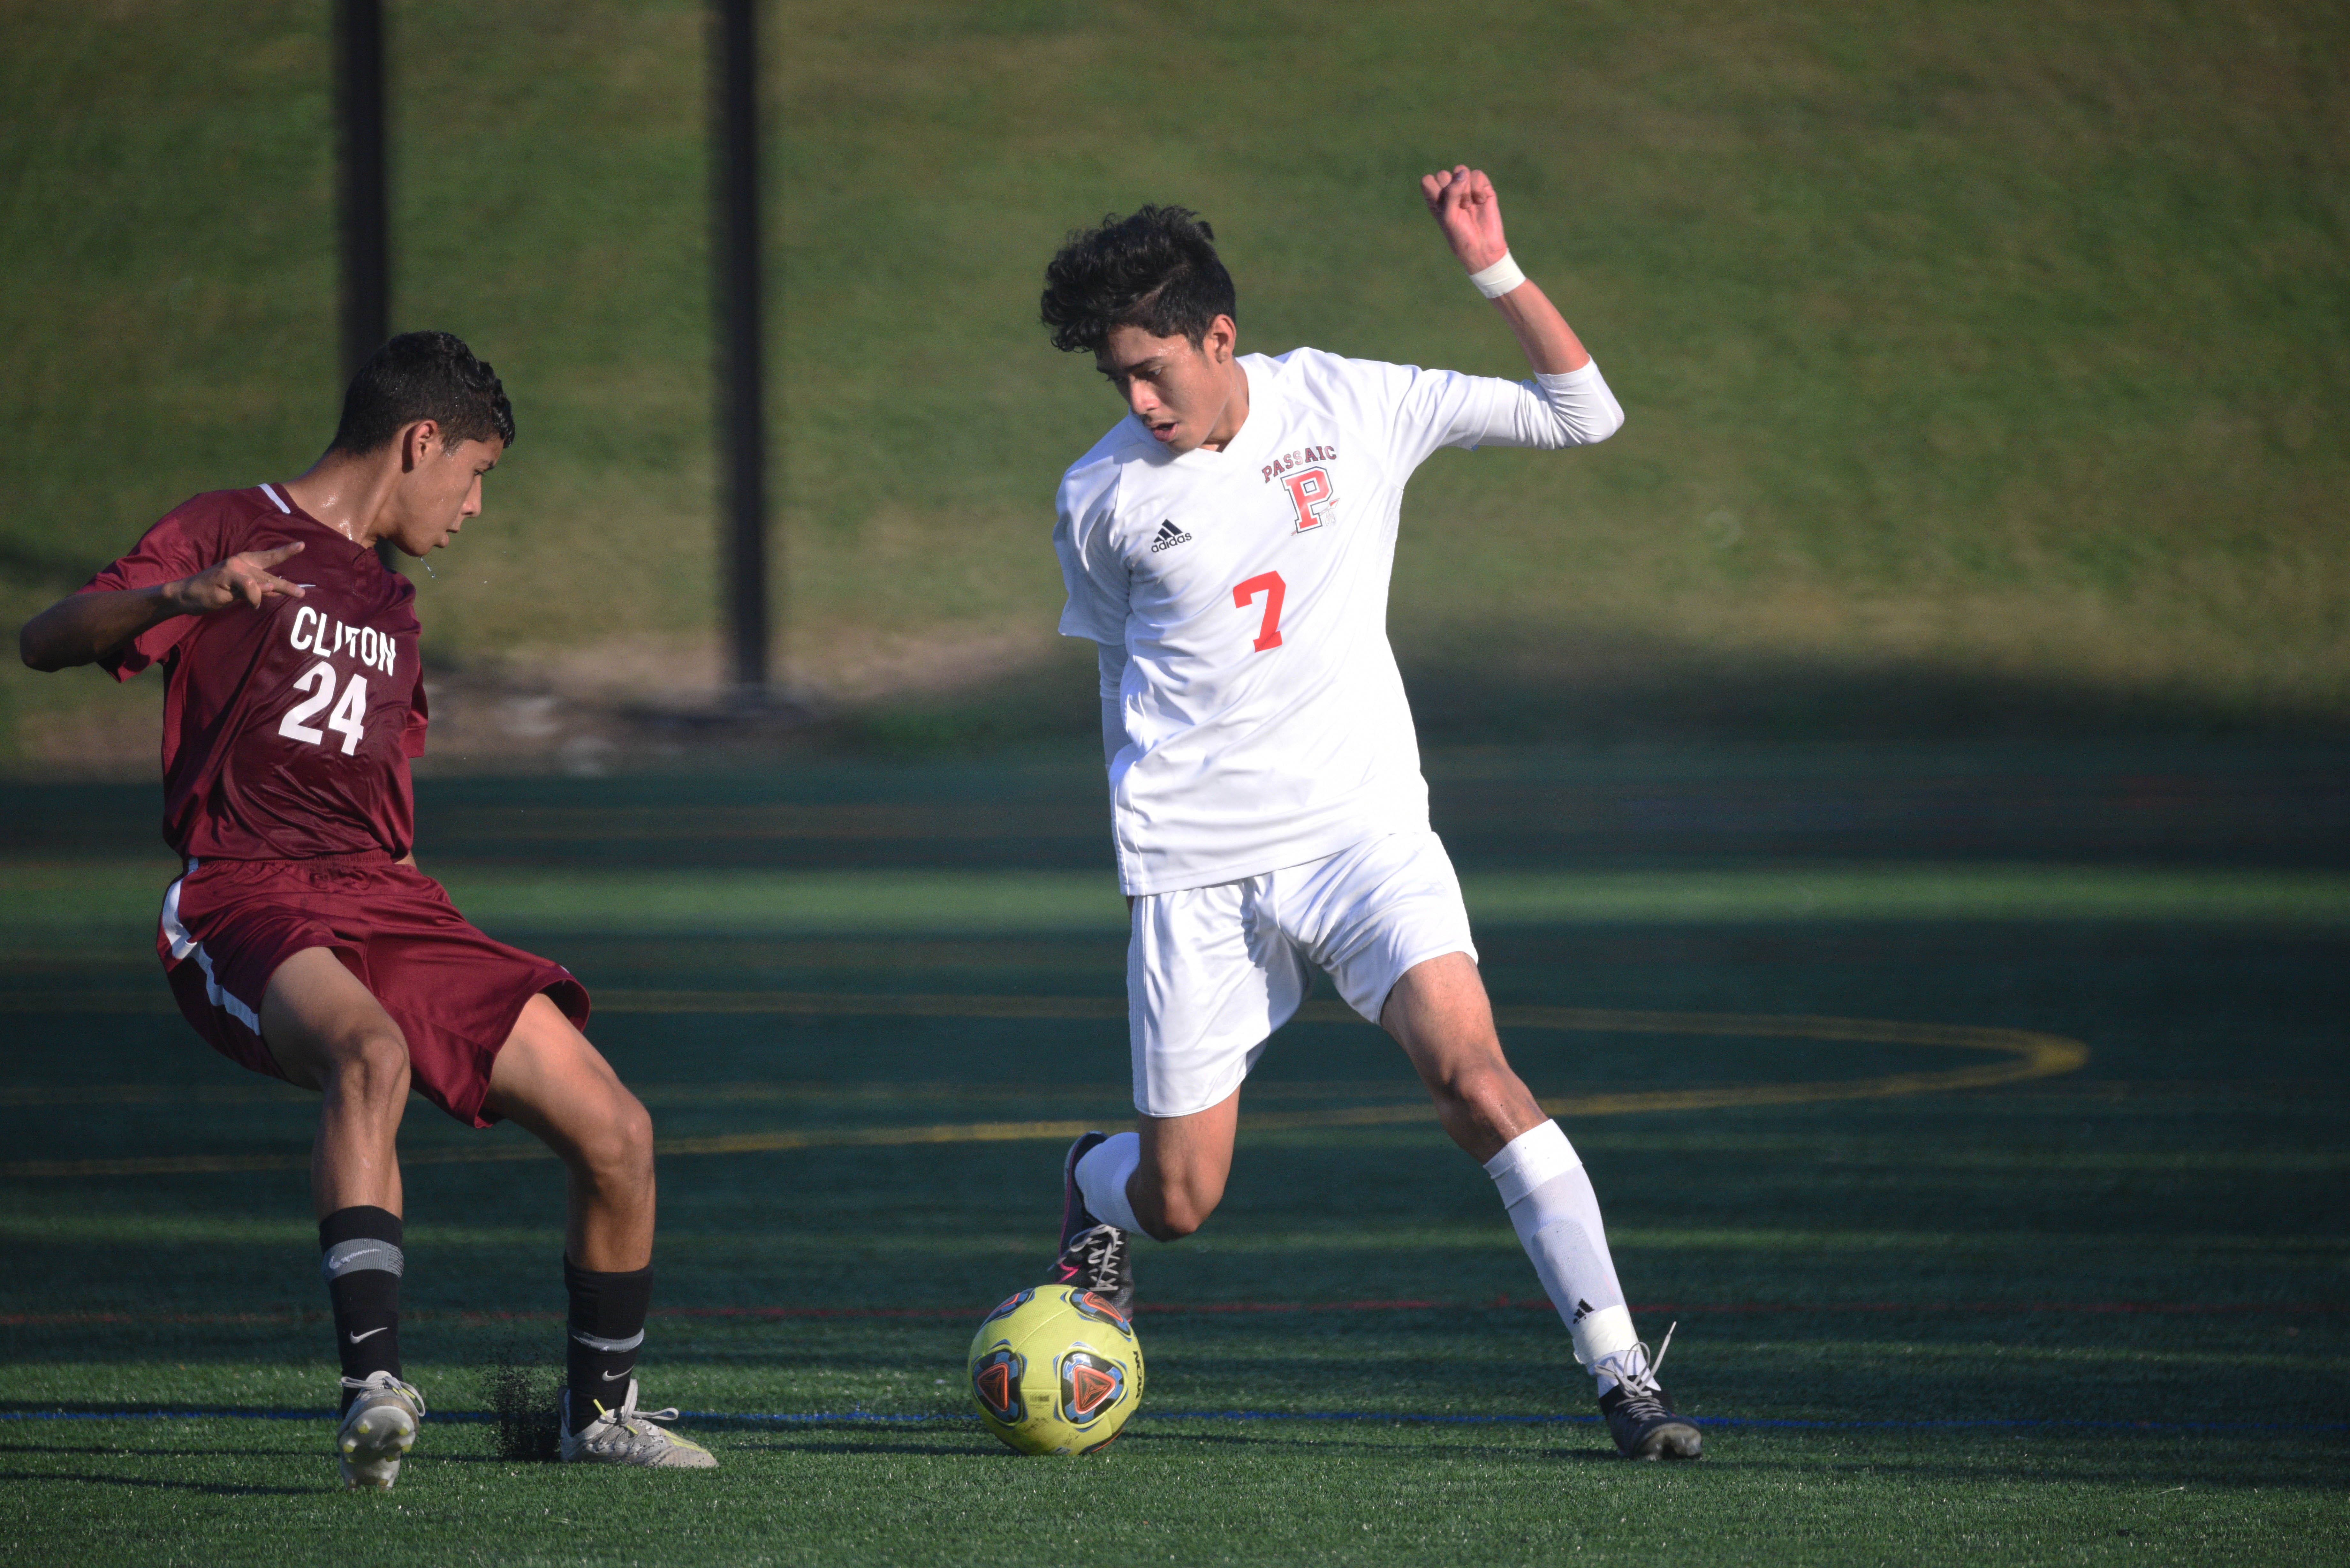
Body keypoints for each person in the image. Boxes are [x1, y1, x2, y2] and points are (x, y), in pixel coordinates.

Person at [1037, 170, 1701, 1460]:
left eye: (1153, 369)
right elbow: (1134, 676)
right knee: (1178, 1200)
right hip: (1196, 864)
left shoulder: (1353, 399)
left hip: (1359, 832)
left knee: (1478, 1080)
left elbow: (1587, 413)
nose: (1138, 401)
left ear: (1220, 337)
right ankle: (1088, 1180)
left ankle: (1623, 1376)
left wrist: (1493, 269)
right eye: (1117, 378)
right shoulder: (1101, 497)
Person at [16, 332, 715, 1486]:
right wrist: (180, 595)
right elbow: (45, 639)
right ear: (420, 441)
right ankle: (373, 1393)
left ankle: (600, 1416)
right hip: (242, 889)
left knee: (620, 1133)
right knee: (371, 1053)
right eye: (476, 472)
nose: (476, 506)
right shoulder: (230, 525)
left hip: (385, 898)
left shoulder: (390, 600)